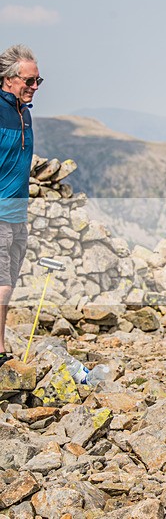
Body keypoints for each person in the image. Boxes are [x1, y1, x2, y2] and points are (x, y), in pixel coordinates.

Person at [0, 45, 40, 367]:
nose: (35, 87)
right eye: (29, 81)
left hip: (18, 216)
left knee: (8, 286)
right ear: (9, 79)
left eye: (39, 80)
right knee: (0, 287)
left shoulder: (24, 114)